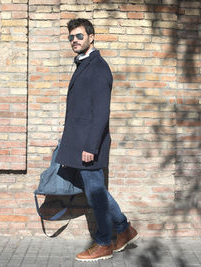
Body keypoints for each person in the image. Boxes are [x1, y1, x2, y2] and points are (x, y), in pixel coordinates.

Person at [55, 18, 138, 262]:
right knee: (96, 192)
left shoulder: (98, 67)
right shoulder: (84, 65)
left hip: (89, 146)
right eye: (71, 37)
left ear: (92, 37)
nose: (74, 41)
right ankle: (123, 230)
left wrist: (91, 146)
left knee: (96, 195)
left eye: (79, 36)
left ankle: (104, 243)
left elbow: (101, 113)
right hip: (80, 143)